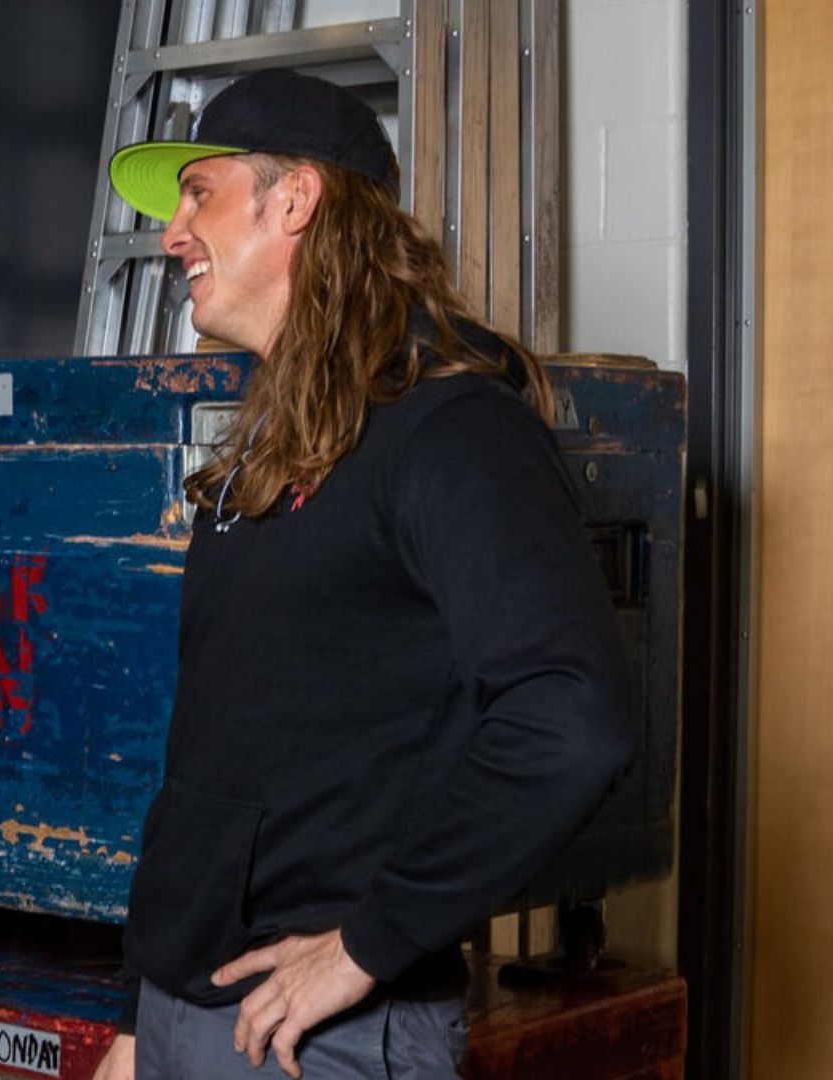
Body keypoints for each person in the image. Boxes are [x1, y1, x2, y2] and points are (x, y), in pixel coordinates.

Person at [91, 70, 634, 1079]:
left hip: (316, 1037)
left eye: (198, 192)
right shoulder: (268, 448)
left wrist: (368, 944)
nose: (170, 235)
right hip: (182, 1012)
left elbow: (571, 714)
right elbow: (216, 748)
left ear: (293, 199)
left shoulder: (454, 432)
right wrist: (141, 1013)